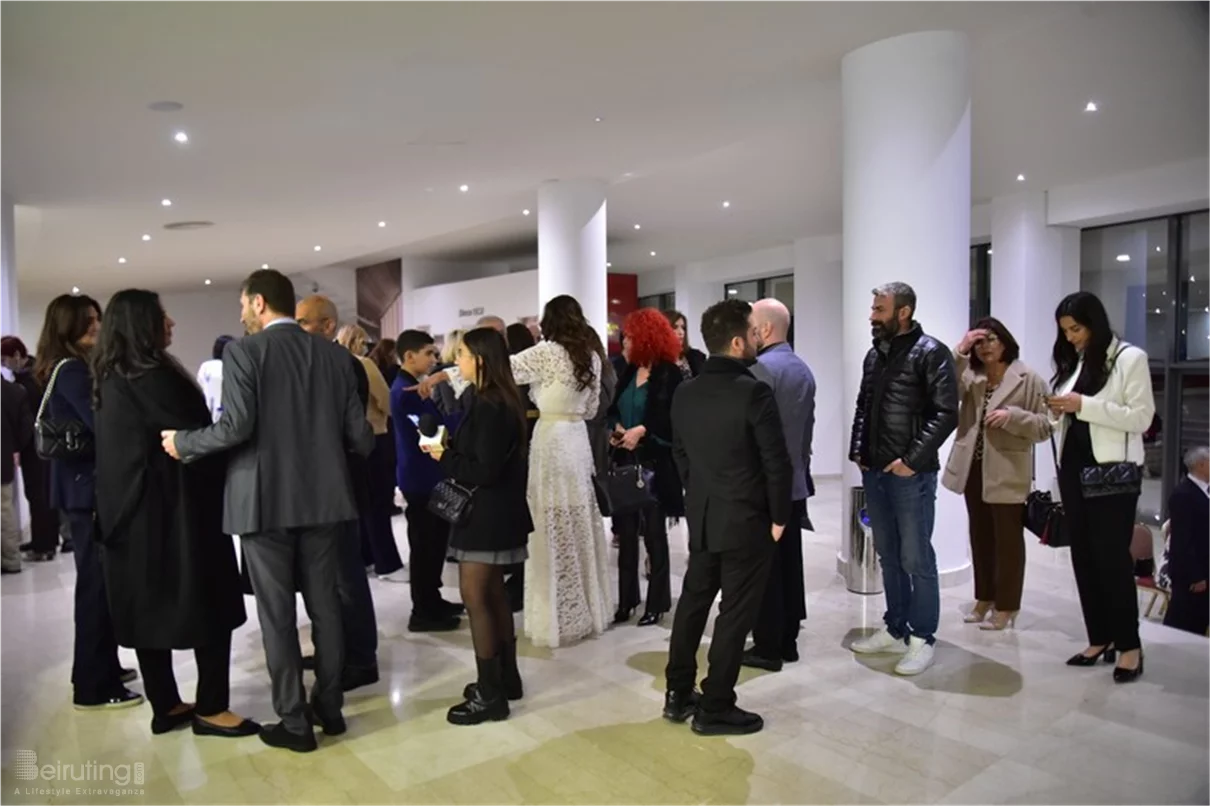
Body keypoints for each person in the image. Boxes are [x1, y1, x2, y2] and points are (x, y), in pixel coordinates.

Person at [163, 270, 374, 752]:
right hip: (325, 500)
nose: (240, 313)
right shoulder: (336, 356)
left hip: (263, 502)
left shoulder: (243, 353)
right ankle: (331, 706)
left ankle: (294, 723)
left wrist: (184, 443)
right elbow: (358, 436)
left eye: (242, 304)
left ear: (259, 303)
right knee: (327, 607)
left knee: (277, 615)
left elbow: (236, 427)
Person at [92, 290, 257, 739]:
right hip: (177, 514)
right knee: (207, 604)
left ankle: (165, 704)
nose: (172, 323)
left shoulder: (111, 375)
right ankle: (211, 707)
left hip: (131, 516)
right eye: (163, 316)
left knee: (147, 612)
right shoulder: (154, 377)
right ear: (142, 323)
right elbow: (197, 439)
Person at [414, 298, 614, 648]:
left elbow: (499, 368)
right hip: (577, 440)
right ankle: (586, 609)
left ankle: (555, 616)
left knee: (549, 526)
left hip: (552, 439)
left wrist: (445, 374)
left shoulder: (548, 352)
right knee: (579, 523)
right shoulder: (592, 357)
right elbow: (593, 407)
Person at [664, 299, 792, 736]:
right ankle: (715, 705)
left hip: (702, 515)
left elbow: (679, 454)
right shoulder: (754, 391)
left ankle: (678, 694)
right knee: (735, 613)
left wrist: (699, 491)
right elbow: (776, 461)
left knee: (694, 604)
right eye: (755, 332)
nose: (760, 337)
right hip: (746, 520)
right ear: (738, 342)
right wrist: (778, 516)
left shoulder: (686, 390)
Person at [35, 294, 143, 710]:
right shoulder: (72, 371)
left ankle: (103, 668)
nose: (97, 327)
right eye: (88, 321)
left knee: (99, 584)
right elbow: (103, 423)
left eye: (97, 319)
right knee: (96, 587)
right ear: (68, 327)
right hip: (88, 489)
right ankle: (94, 685)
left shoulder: (67, 367)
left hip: (81, 487)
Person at [848, 282, 958, 676]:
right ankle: (895, 628)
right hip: (876, 471)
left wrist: (911, 460)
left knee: (916, 557)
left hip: (912, 476)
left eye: (879, 309)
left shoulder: (932, 353)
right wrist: (858, 451)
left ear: (903, 312)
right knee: (889, 556)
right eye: (873, 308)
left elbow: (947, 414)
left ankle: (922, 637)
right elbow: (863, 405)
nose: (872, 316)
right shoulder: (874, 355)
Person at [423, 327, 531, 725]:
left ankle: (490, 694)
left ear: (481, 359)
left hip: (486, 514)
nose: (457, 361)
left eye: (463, 354)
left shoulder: (489, 404)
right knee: (493, 595)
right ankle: (505, 677)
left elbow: (483, 470)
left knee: (476, 598)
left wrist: (441, 455)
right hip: (498, 512)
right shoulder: (500, 398)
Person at [1047, 291, 1155, 682]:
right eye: (1066, 331)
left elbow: (1142, 418)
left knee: (1111, 560)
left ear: (1095, 322)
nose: (1072, 337)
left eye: (1076, 329)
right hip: (1074, 471)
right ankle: (1100, 637)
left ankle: (1129, 646)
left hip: (1113, 476)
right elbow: (1069, 417)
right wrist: (1056, 410)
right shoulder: (1076, 363)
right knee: (1084, 559)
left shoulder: (1130, 358)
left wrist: (1083, 405)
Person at [294, 296, 382, 692]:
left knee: (346, 574)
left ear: (328, 326)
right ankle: (338, 648)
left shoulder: (343, 365)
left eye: (305, 323)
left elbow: (351, 432)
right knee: (329, 576)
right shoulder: (318, 362)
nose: (299, 330)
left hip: (341, 481)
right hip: (325, 482)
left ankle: (361, 658)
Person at [942, 317, 1051, 631]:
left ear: (1005, 341)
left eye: (991, 339)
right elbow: (945, 387)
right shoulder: (972, 376)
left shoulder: (1028, 378)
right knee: (980, 537)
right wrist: (960, 351)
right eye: (979, 341)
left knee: (1008, 541)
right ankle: (984, 598)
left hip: (1008, 469)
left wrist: (1013, 417)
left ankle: (1007, 606)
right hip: (972, 469)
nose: (985, 346)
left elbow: (1046, 426)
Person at [742, 298, 815, 671]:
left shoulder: (759, 371)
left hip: (766, 486)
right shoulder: (802, 369)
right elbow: (805, 435)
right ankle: (787, 640)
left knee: (766, 567)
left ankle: (768, 645)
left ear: (765, 329)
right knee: (789, 562)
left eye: (751, 325)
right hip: (795, 483)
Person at [608, 308, 684, 627]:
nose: (626, 340)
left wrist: (645, 432)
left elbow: (674, 423)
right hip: (625, 464)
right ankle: (627, 600)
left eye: (632, 334)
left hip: (654, 463)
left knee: (654, 535)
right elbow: (613, 409)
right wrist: (617, 429)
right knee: (626, 535)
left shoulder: (669, 373)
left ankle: (657, 602)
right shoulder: (629, 370)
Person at [390, 329, 462, 632]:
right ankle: (423, 609)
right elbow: (432, 434)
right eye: (430, 353)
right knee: (425, 545)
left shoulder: (413, 386)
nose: (435, 359)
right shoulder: (406, 392)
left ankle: (432, 599)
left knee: (434, 543)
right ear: (410, 356)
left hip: (427, 476)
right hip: (421, 478)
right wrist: (463, 417)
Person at [336, 323, 404, 583]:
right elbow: (385, 400)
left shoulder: (331, 364)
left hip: (347, 443)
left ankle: (366, 557)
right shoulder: (364, 365)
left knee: (361, 503)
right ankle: (387, 563)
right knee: (378, 502)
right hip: (374, 435)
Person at [0, 336, 59, 562]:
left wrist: (18, 445)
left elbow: (28, 419)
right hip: (38, 444)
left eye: (5, 359)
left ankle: (44, 545)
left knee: (39, 495)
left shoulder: (30, 381)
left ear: (16, 355)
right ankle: (42, 541)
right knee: (37, 494)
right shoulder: (31, 376)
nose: (4, 365)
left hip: (37, 446)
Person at [1163, 446, 1210, 636]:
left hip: (1206, 567)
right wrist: (1195, 576)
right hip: (1190, 573)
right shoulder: (1183, 495)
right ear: (1201, 465)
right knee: (1184, 620)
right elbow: (1182, 540)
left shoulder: (1205, 491)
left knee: (1199, 620)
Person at [0, 375, 32, 573]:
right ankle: (11, 558)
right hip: (4, 460)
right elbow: (25, 426)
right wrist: (16, 448)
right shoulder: (14, 391)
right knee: (5, 511)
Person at [197, 335, 236, 423]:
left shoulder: (206, 366)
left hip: (207, 413)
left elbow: (200, 386)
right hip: (227, 416)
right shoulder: (232, 367)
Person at [663, 309, 707, 379]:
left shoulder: (696, 357)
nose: (681, 332)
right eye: (675, 327)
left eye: (683, 328)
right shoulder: (656, 363)